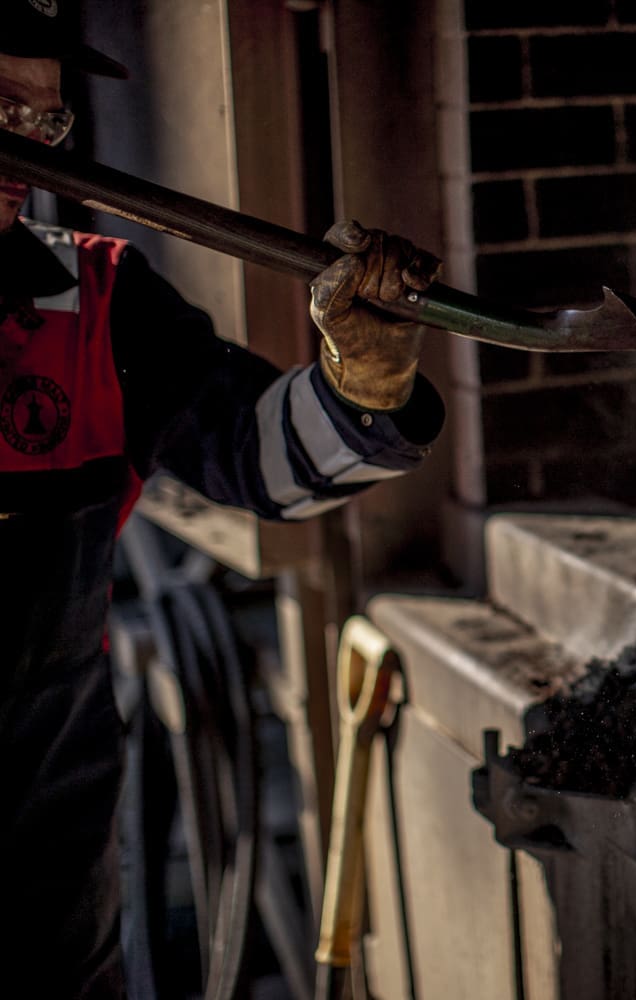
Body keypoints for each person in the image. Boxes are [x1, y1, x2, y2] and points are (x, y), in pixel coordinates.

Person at [0, 3, 445, 995]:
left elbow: (259, 457)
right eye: (0, 112)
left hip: (47, 905)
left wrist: (359, 387)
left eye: (44, 123)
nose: (23, 151)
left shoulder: (95, 300)